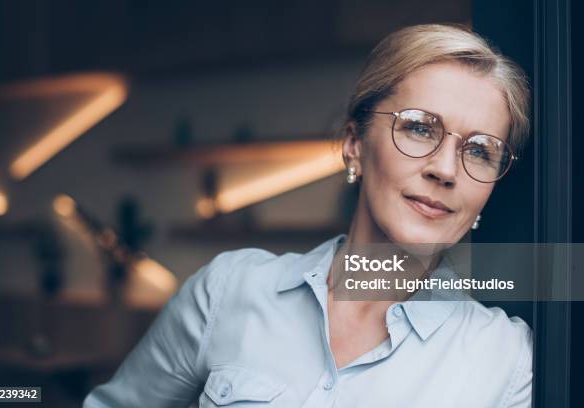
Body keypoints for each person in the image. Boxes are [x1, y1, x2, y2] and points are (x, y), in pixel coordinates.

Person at [83, 24, 532, 407]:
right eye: (418, 127)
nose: (446, 169)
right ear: (355, 143)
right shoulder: (228, 290)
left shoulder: (507, 361)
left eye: (480, 151)